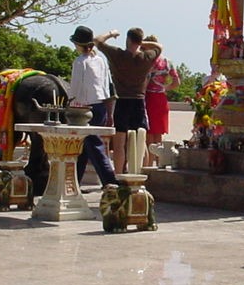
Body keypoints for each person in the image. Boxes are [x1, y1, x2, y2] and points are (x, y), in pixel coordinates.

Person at [95, 27, 162, 173]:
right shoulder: (146, 57)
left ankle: (119, 176)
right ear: (139, 41)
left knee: (119, 143)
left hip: (122, 101)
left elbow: (97, 41)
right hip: (138, 101)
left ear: (128, 39)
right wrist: (143, 42)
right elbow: (159, 47)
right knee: (140, 142)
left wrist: (111, 34)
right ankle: (141, 175)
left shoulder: (117, 55)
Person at [68, 26, 117, 186]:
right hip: (100, 106)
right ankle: (74, 181)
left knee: (94, 146)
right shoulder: (101, 60)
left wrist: (69, 106)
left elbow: (75, 87)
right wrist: (110, 113)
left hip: (84, 108)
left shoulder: (79, 62)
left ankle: (109, 181)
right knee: (84, 148)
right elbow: (108, 86)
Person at [142, 35, 179, 166]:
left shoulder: (147, 61)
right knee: (158, 134)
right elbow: (176, 82)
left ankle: (148, 165)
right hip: (161, 98)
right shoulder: (167, 62)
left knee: (149, 135)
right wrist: (164, 87)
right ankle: (160, 163)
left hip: (149, 97)